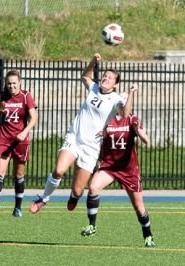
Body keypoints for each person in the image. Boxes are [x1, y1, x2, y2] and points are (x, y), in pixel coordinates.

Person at [30, 53, 133, 213]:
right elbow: (85, 76)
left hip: (91, 147)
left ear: (115, 85)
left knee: (78, 191)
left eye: (110, 77)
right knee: (59, 170)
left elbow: (125, 114)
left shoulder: (115, 99)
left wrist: (131, 94)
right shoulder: (94, 88)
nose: (106, 78)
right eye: (105, 75)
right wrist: (93, 62)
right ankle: (43, 198)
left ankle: (73, 196)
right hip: (75, 138)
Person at [80, 89, 155, 248]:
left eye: (126, 99)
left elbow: (145, 138)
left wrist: (141, 134)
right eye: (120, 99)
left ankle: (148, 235)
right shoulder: (107, 119)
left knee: (138, 206)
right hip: (109, 166)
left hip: (128, 170)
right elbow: (100, 140)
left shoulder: (132, 119)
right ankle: (92, 225)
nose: (122, 102)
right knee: (93, 187)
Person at [0, 70, 38, 217]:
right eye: (9, 83)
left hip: (20, 141)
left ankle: (18, 207)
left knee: (18, 174)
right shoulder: (3, 97)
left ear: (19, 83)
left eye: (14, 83)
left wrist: (24, 132)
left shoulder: (26, 96)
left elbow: (34, 118)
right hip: (3, 139)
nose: (11, 86)